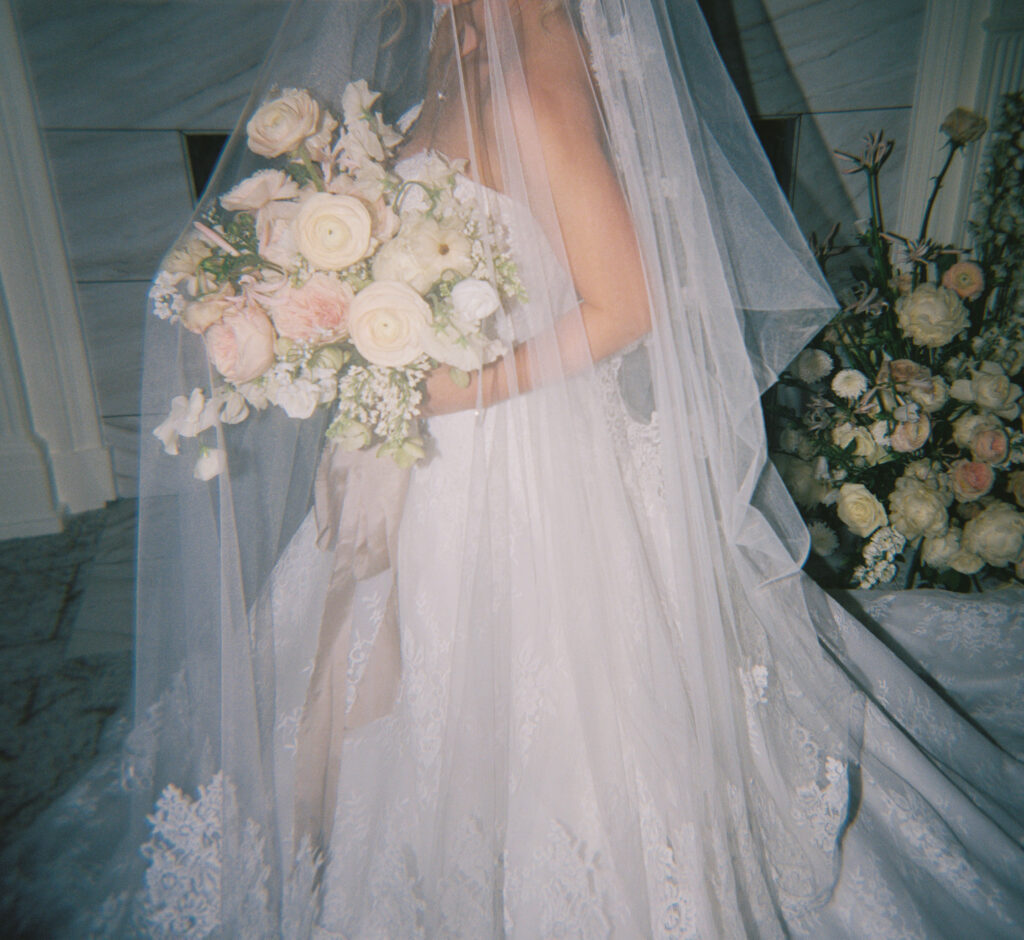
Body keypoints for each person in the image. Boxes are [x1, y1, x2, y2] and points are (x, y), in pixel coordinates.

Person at [4, 1, 1023, 936]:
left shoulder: (540, 68)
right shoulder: (450, 39)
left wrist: (460, 388)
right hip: (416, 437)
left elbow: (626, 304)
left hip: (525, 451)